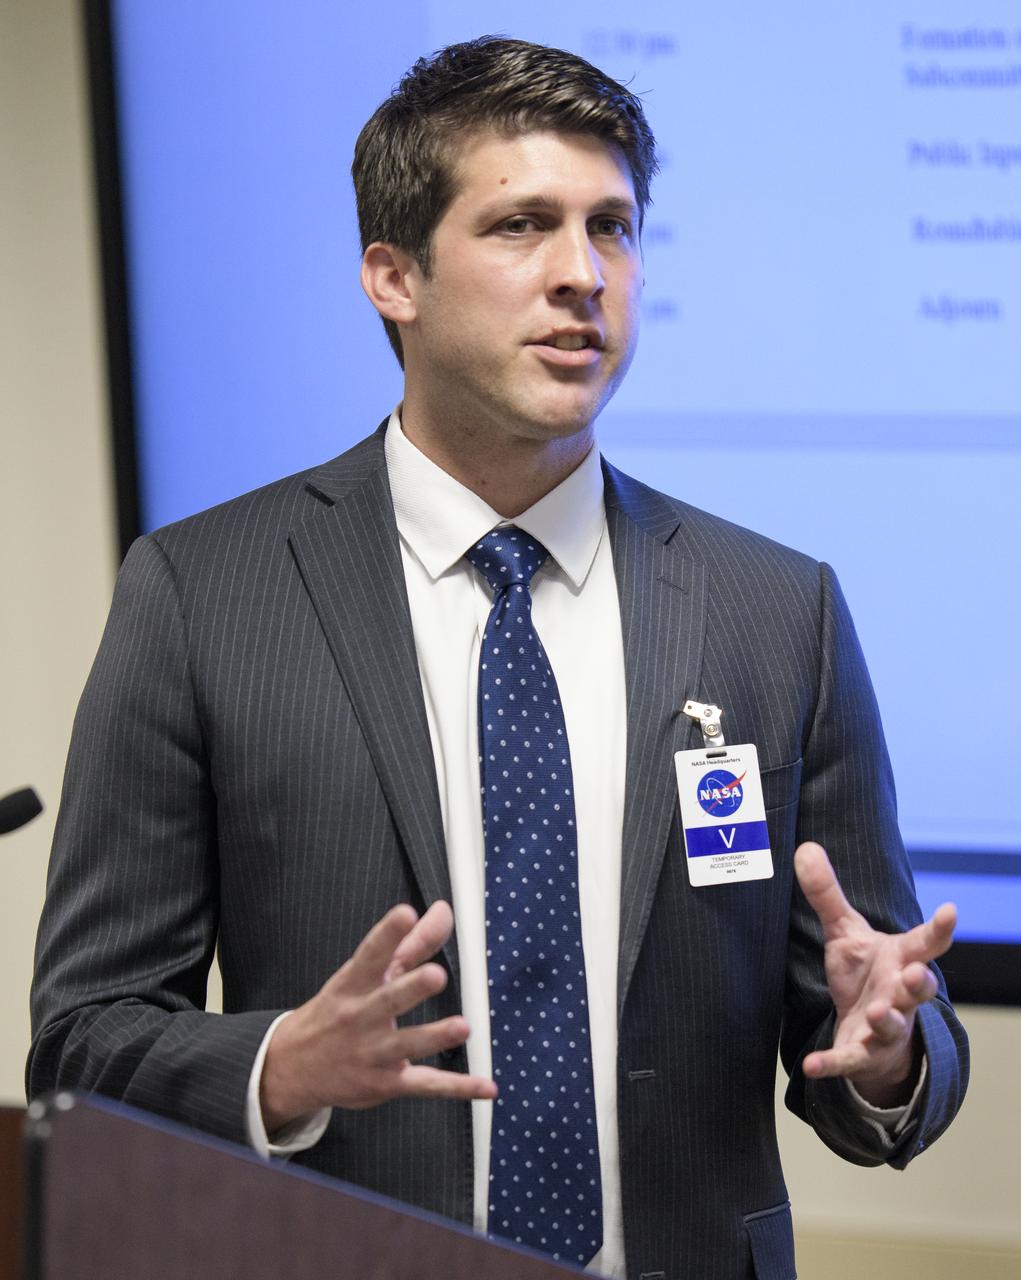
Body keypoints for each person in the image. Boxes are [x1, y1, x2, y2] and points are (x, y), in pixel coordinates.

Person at [29, 36, 968, 1280]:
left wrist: (893, 1050)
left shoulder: (772, 607)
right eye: (523, 225)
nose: (583, 275)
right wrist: (278, 1067)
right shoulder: (203, 593)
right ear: (392, 276)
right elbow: (84, 1039)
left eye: (614, 229)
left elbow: (872, 1020)